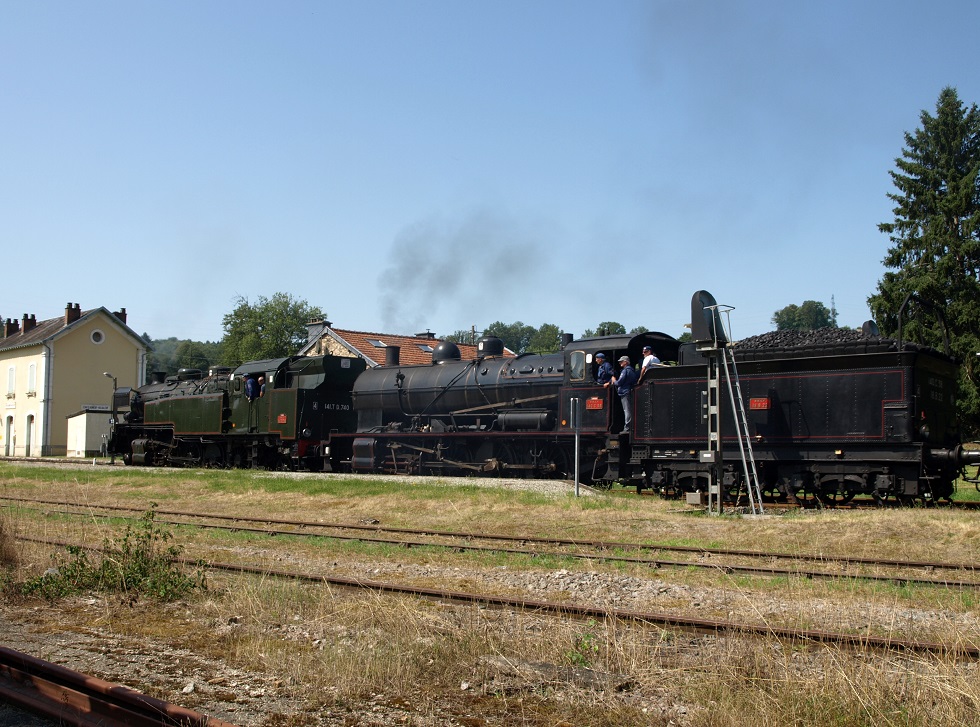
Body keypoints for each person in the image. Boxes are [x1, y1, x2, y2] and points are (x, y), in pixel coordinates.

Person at [606, 355, 638, 433]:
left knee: (626, 410)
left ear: (626, 362)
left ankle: (627, 428)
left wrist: (614, 381)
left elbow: (620, 382)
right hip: (628, 390)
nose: (620, 363)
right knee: (629, 409)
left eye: (621, 361)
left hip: (625, 391)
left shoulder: (625, 371)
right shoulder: (631, 370)